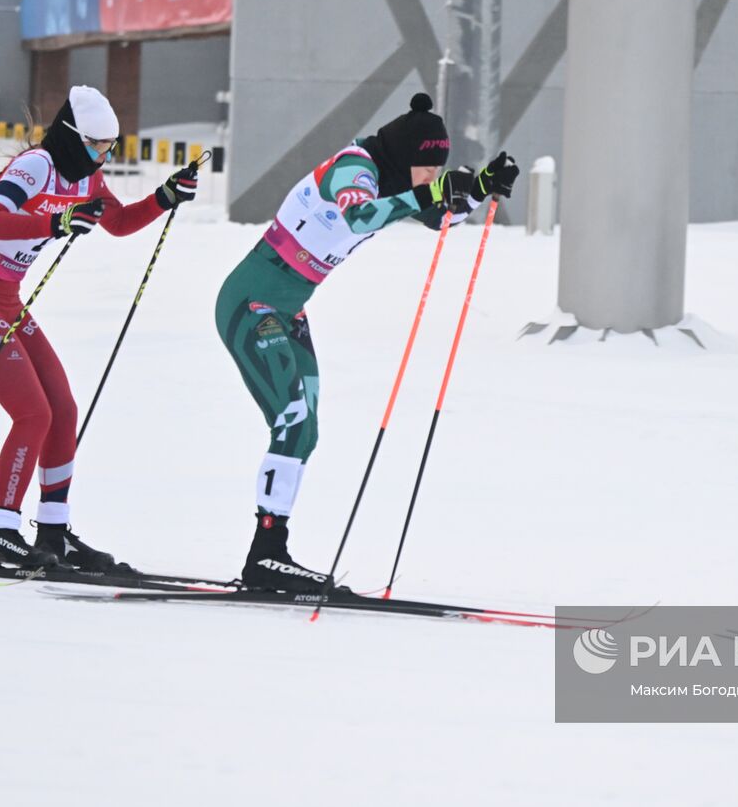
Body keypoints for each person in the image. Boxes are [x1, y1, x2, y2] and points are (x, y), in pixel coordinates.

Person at [215, 92, 518, 592]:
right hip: (251, 304)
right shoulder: (354, 169)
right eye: (425, 167)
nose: (428, 177)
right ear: (404, 156)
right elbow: (360, 216)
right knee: (292, 420)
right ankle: (265, 557)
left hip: (287, 310)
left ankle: (270, 552)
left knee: (304, 431)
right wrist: (432, 191)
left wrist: (479, 187)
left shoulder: (394, 177)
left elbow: (439, 215)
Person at [0, 85, 200, 569]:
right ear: (68, 136)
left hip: (6, 302)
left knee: (62, 408)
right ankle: (0, 532)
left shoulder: (87, 178)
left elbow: (118, 223)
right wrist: (57, 223)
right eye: (95, 145)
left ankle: (53, 533)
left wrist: (165, 197)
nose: (103, 155)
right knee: (32, 414)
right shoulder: (36, 166)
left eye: (109, 147)